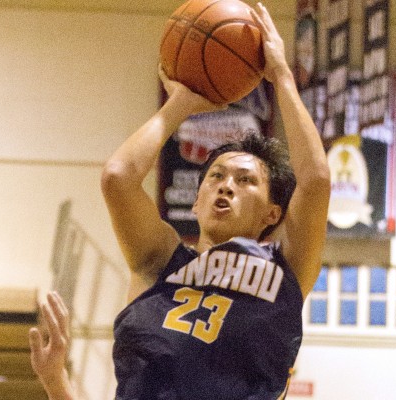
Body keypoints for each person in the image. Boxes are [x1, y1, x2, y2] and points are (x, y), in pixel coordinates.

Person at [29, 3, 330, 399]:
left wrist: (282, 77)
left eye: (245, 181)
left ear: (272, 213)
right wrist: (182, 103)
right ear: (196, 201)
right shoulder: (159, 262)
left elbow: (317, 180)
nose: (226, 186)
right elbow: (118, 177)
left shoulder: (283, 268)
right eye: (216, 176)